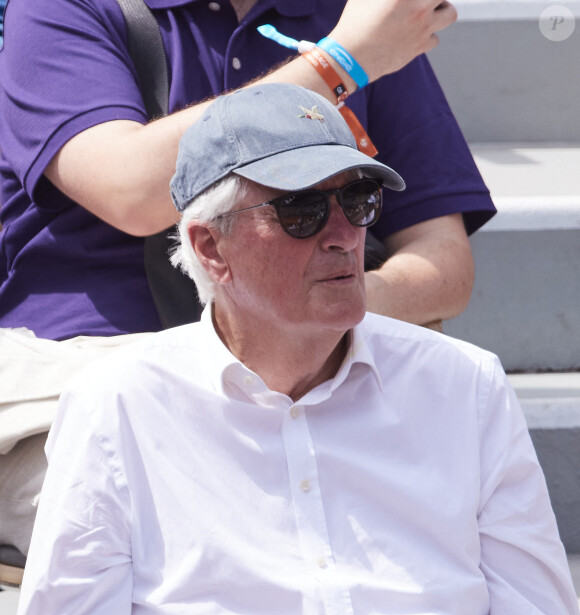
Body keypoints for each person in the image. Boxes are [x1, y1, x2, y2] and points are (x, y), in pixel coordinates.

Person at [1, 82, 578, 615]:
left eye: (358, 201)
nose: (345, 236)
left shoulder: (466, 386)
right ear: (210, 247)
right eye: (303, 210)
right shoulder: (119, 403)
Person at [0, 0, 496, 558]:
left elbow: (444, 266)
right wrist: (342, 63)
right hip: (92, 373)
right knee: (214, 547)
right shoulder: (61, 8)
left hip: (312, 382)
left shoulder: (352, 15)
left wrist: (302, 315)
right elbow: (131, 193)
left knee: (443, 525)